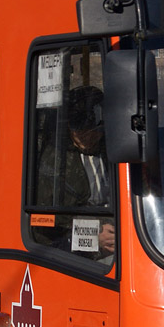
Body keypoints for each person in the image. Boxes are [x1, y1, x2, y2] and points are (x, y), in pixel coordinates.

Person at [35, 85, 115, 260]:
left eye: (94, 131)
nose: (86, 137)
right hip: (64, 251)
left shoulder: (114, 152)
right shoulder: (55, 160)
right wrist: (94, 235)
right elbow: (49, 222)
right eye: (78, 130)